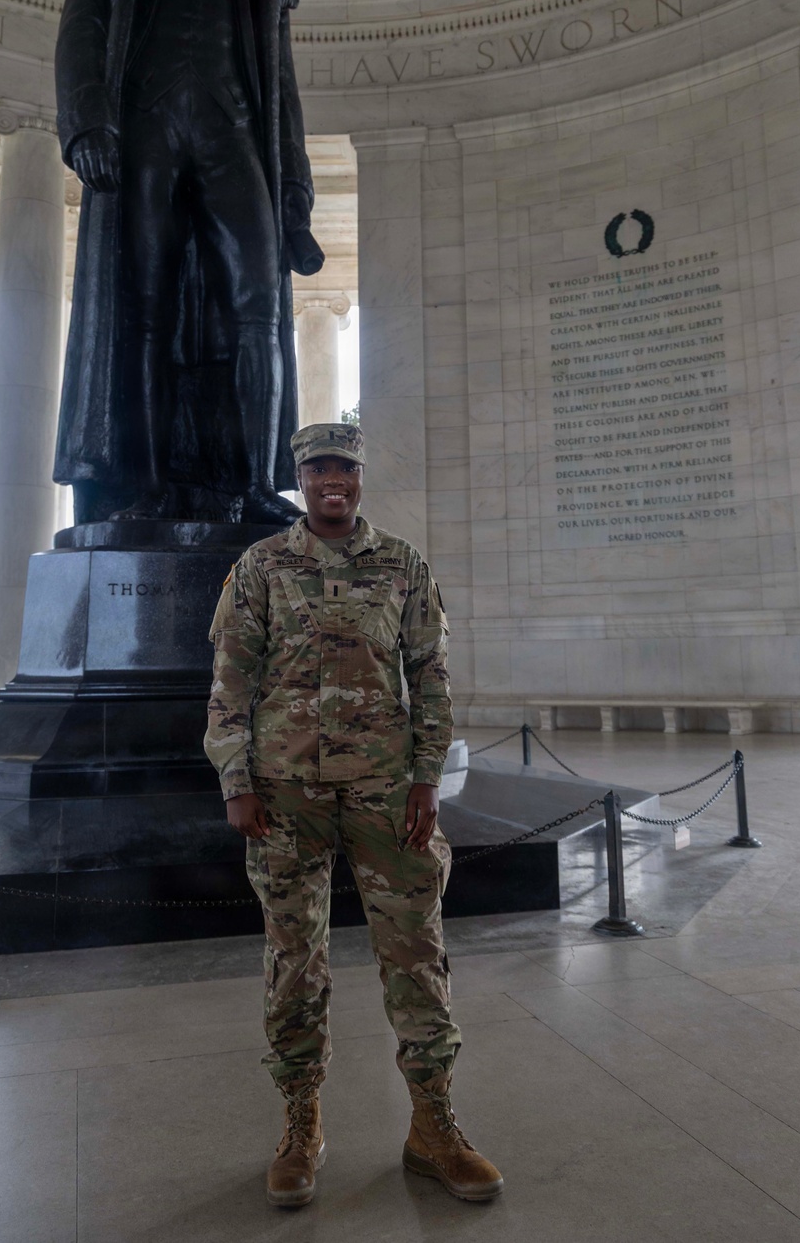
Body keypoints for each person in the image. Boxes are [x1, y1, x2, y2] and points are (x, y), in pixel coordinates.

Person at [203, 423, 504, 1207]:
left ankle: (433, 1126)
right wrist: (236, 779)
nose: (331, 480)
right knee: (293, 959)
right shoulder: (263, 565)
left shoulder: (402, 563)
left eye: (344, 467)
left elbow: (429, 675)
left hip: (385, 792)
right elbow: (231, 680)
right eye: (317, 469)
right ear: (300, 480)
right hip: (285, 795)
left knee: (417, 953)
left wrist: (426, 777)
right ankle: (300, 1122)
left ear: (361, 475)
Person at [55, 0, 322, 525]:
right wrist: (87, 123)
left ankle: (253, 485)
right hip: (145, 132)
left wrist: (294, 186)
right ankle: (142, 486)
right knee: (142, 311)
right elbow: (82, 31)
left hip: (233, 136)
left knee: (260, 311)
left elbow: (283, 85)